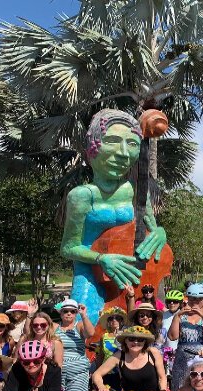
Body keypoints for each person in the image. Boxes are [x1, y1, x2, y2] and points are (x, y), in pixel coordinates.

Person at [61, 110, 168, 326]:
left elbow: (152, 227)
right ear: (93, 147)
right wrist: (101, 259)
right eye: (112, 141)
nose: (123, 153)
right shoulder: (82, 195)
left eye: (132, 144)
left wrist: (160, 232)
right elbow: (68, 248)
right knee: (86, 323)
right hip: (90, 273)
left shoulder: (137, 191)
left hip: (129, 277)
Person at [167, 284, 203, 391]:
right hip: (182, 360)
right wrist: (177, 316)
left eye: (197, 300)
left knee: (201, 390)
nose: (193, 302)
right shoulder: (181, 315)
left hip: (202, 360)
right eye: (190, 299)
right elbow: (172, 337)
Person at [93, 326, 168, 391]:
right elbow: (96, 374)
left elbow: (162, 377)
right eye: (131, 339)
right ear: (125, 341)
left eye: (140, 339)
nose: (136, 342)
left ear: (145, 341)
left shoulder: (153, 352)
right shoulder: (119, 356)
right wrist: (101, 387)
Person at [54, 298, 94, 391]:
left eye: (72, 311)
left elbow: (91, 333)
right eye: (66, 311)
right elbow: (35, 331)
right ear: (61, 313)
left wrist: (83, 315)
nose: (69, 314)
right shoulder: (55, 327)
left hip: (77, 370)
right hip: (58, 370)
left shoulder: (79, 325)